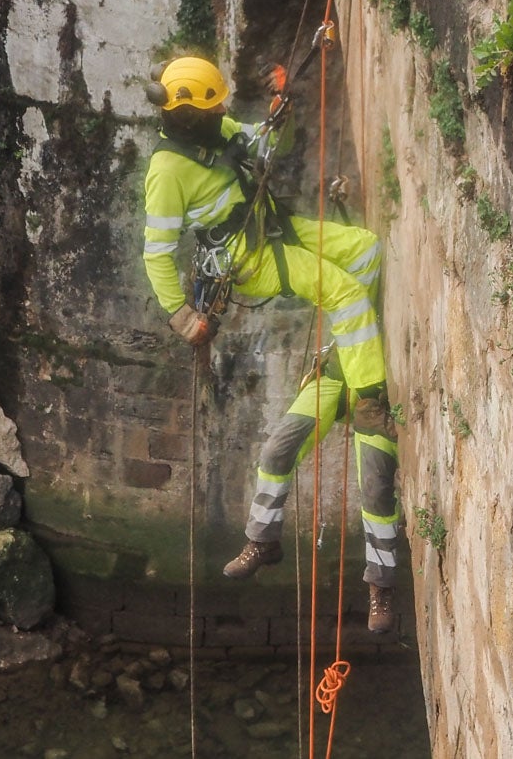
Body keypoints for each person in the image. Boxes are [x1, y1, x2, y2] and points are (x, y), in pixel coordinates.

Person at [142, 56, 400, 634]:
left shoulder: (214, 131)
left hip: (270, 230)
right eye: (212, 109)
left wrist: (276, 116)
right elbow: (156, 252)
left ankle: (357, 355)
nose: (222, 114)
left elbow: (253, 143)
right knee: (342, 292)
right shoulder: (167, 171)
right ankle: (370, 390)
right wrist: (183, 317)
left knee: (364, 251)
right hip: (249, 257)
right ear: (187, 117)